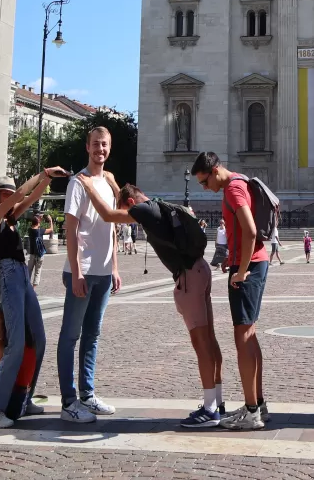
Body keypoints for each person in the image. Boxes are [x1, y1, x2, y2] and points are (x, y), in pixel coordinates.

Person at [78, 179, 229, 430]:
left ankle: (210, 409)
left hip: (189, 277)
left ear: (129, 204)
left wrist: (88, 187)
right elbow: (126, 198)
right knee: (210, 339)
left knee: (200, 343)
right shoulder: (155, 206)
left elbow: (107, 214)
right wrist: (116, 183)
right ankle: (217, 401)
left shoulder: (141, 210)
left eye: (127, 208)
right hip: (200, 269)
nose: (129, 215)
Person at [193, 151, 270, 431]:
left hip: (249, 269)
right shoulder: (239, 182)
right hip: (253, 264)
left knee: (243, 336)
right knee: (249, 334)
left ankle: (252, 411)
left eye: (204, 182)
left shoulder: (233, 188)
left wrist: (241, 269)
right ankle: (257, 403)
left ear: (214, 171)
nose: (204, 188)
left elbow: (250, 231)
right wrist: (233, 257)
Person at [0, 167, 62, 427]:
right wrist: (42, 173)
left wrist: (46, 181)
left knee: (39, 338)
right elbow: (20, 196)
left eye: (8, 193)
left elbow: (29, 198)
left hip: (22, 275)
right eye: (2, 194)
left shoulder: (11, 220)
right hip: (7, 275)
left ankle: (23, 400)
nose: (7, 197)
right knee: (15, 343)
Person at [58, 126, 122, 423]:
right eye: (96, 144)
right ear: (87, 147)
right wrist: (77, 272)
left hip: (104, 272)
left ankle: (87, 394)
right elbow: (70, 230)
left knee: (92, 335)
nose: (100, 149)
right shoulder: (77, 183)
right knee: (70, 336)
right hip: (82, 272)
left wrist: (116, 268)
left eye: (105, 144)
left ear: (109, 148)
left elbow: (113, 228)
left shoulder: (109, 182)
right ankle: (69, 401)